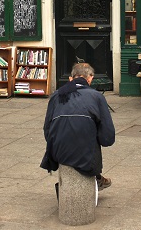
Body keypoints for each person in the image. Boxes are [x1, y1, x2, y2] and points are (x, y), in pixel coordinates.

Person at [40, 63, 115, 191]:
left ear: (70, 79)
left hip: (58, 152)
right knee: (89, 136)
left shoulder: (57, 95)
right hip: (86, 155)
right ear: (90, 78)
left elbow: (47, 129)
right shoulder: (97, 96)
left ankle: (94, 179)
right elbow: (107, 137)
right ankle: (96, 179)